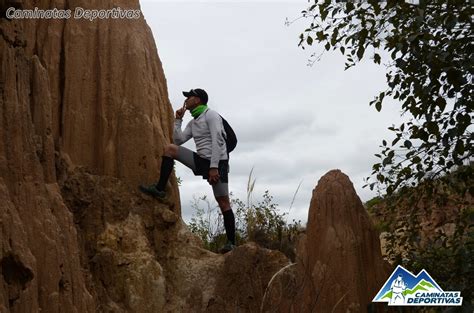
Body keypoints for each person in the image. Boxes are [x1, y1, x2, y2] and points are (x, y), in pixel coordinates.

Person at [139, 88, 236, 253]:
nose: (186, 100)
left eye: (189, 97)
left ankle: (231, 243)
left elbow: (218, 141)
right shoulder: (194, 122)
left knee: (223, 202)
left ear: (197, 100)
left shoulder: (211, 115)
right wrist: (178, 120)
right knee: (170, 149)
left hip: (217, 162)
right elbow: (178, 140)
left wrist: (214, 167)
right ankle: (160, 189)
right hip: (201, 160)